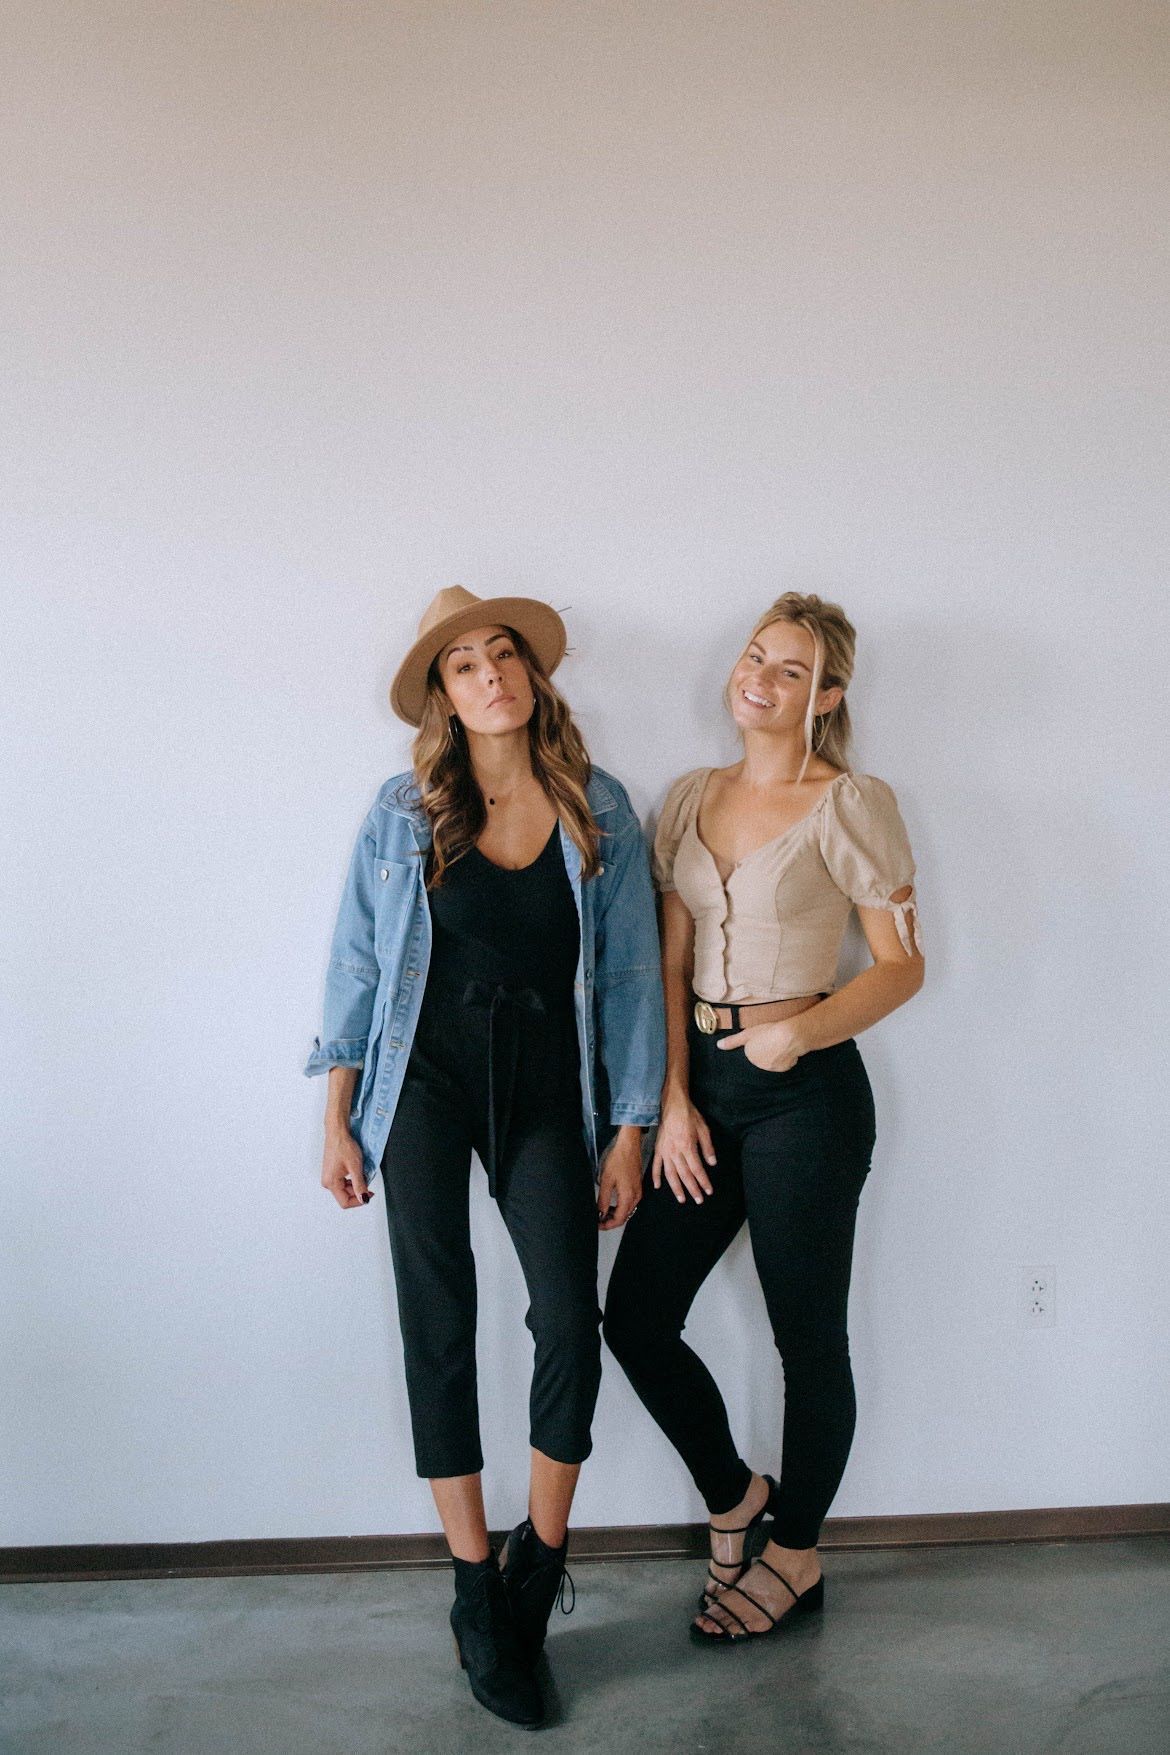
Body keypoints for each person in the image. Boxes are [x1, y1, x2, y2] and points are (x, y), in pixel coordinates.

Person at [304, 586, 665, 1725]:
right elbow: (359, 966)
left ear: (531, 677)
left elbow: (626, 980)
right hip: (423, 1082)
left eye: (501, 655)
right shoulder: (403, 811)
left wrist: (632, 1126)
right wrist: (339, 1114)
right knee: (438, 1316)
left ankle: (537, 1566)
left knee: (571, 1319)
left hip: (551, 1090)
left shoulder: (600, 808)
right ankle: (471, 1585)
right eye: (462, 665)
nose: (488, 674)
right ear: (444, 698)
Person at [603, 591, 924, 1645]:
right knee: (638, 1319)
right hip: (708, 1094)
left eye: (791, 669)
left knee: (806, 1340)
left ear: (825, 696)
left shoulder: (852, 801)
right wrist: (673, 1103)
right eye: (756, 657)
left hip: (808, 1100)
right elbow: (668, 958)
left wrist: (804, 1033)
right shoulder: (689, 798)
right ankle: (737, 1497)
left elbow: (901, 966)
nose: (762, 678)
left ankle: (795, 1551)